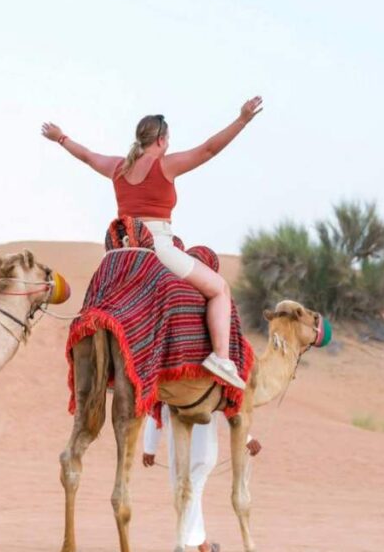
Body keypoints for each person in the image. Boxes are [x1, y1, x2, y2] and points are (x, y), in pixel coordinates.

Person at [40, 99, 263, 387]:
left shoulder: (117, 167)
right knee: (219, 289)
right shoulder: (165, 165)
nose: (168, 144)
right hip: (157, 247)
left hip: (120, 253)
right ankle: (221, 357)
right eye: (168, 139)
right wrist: (242, 120)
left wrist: (61, 138)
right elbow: (209, 149)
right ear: (160, 140)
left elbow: (87, 156)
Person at [142, 406, 262, 552]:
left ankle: (190, 549)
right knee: (189, 495)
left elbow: (157, 408)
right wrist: (247, 438)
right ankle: (199, 548)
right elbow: (228, 408)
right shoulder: (212, 385)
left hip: (187, 452)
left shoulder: (170, 388)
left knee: (187, 495)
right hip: (195, 452)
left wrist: (150, 447)